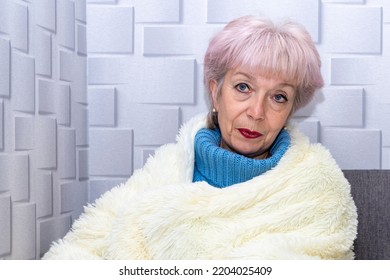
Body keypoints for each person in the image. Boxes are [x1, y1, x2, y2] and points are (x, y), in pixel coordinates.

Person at [43, 15, 357, 260]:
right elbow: (82, 248)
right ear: (214, 92)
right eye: (243, 87)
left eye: (278, 97)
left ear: (291, 109)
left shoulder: (317, 185)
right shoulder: (168, 166)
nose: (257, 112)